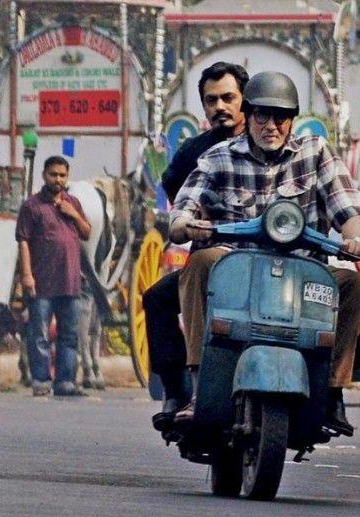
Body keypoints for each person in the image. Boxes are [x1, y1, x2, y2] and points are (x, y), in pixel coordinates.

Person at [169, 71, 360, 436]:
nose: (271, 126)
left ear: (292, 120)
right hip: (237, 272)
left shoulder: (315, 153)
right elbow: (184, 206)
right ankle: (199, 384)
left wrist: (353, 238)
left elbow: (349, 210)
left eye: (280, 117)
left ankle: (333, 391)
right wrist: (184, 224)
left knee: (357, 285)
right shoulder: (218, 157)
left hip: (304, 272)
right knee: (201, 262)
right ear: (248, 115)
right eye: (262, 115)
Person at [145, 62, 249, 432]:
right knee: (156, 299)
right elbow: (175, 191)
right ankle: (177, 390)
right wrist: (191, 219)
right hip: (210, 264)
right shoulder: (196, 153)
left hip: (270, 263)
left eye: (228, 98)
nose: (220, 106)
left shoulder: (271, 141)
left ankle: (330, 395)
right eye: (211, 100)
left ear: (245, 100)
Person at [16, 156, 92, 397]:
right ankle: (41, 380)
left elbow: (86, 233)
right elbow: (23, 241)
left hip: (70, 282)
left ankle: (65, 382)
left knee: (69, 335)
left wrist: (73, 214)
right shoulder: (32, 206)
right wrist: (27, 275)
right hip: (42, 282)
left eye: (62, 175)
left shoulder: (73, 203)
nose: (58, 179)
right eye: (53, 175)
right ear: (44, 176)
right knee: (39, 334)